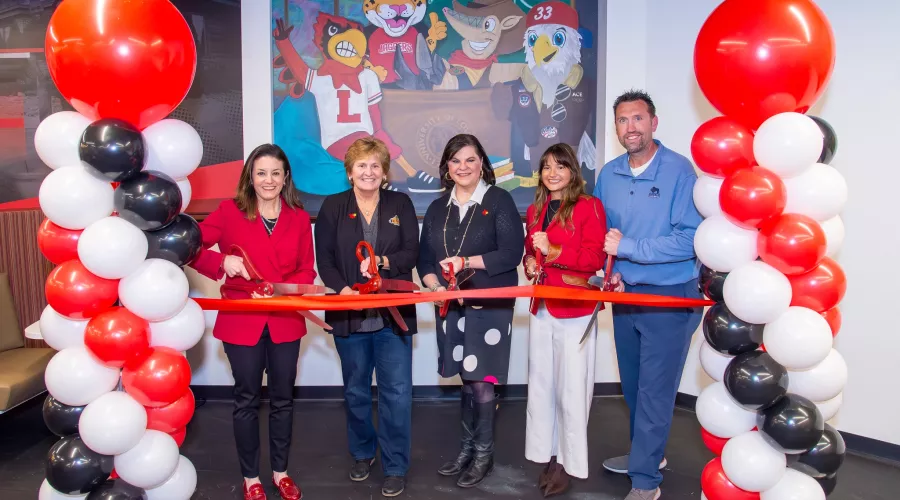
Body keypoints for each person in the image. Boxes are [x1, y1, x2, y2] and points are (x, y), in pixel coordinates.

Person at [593, 90, 704, 500]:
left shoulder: (679, 171)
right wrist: (611, 273)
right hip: (626, 297)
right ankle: (648, 455)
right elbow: (600, 235)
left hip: (670, 297)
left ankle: (645, 483)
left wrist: (629, 249)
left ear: (653, 123)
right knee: (634, 387)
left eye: (638, 118)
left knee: (655, 392)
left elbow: (690, 239)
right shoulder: (609, 175)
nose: (631, 127)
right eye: (623, 120)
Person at [191, 144, 314, 500]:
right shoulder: (229, 212)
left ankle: (280, 472)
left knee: (283, 399)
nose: (268, 180)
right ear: (250, 176)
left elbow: (307, 270)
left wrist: (282, 291)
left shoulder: (299, 217)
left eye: (275, 173)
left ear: (286, 177)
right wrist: (220, 263)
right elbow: (190, 245)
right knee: (246, 399)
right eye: (261, 173)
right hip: (242, 320)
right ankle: (251, 478)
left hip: (284, 319)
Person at [313, 137, 419, 498]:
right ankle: (362, 453)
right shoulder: (333, 207)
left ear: (385, 172)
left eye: (375, 165)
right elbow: (325, 260)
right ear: (350, 172)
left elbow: (411, 252)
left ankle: (395, 465)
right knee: (356, 391)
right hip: (349, 315)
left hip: (393, 316)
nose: (369, 172)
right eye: (362, 165)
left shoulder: (401, 204)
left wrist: (383, 262)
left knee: (397, 394)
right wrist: (343, 290)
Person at [418, 134, 525, 488]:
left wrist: (466, 262)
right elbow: (425, 260)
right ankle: (466, 450)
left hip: (490, 305)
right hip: (452, 306)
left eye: (470, 160)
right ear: (446, 167)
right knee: (466, 379)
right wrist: (435, 287)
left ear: (482, 164)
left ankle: (483, 455)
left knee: (482, 381)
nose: (462, 167)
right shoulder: (438, 208)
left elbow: (511, 254)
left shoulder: (498, 200)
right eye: (455, 161)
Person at [523, 143, 607, 497]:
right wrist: (530, 262)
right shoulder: (535, 209)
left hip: (575, 308)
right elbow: (531, 251)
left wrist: (554, 250)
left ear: (573, 171)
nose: (552, 173)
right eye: (546, 167)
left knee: (572, 390)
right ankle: (546, 454)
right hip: (542, 306)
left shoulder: (590, 206)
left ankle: (567, 464)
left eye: (560, 166)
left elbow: (594, 258)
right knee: (541, 386)